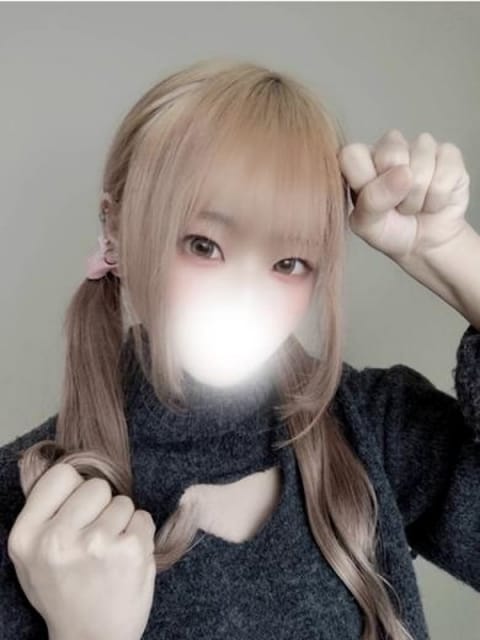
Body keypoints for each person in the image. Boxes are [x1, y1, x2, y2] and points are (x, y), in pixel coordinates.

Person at [0, 58, 478, 640]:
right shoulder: (30, 509)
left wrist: (452, 253)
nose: (246, 294)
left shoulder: (372, 429)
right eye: (203, 245)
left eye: (289, 262)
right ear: (114, 230)